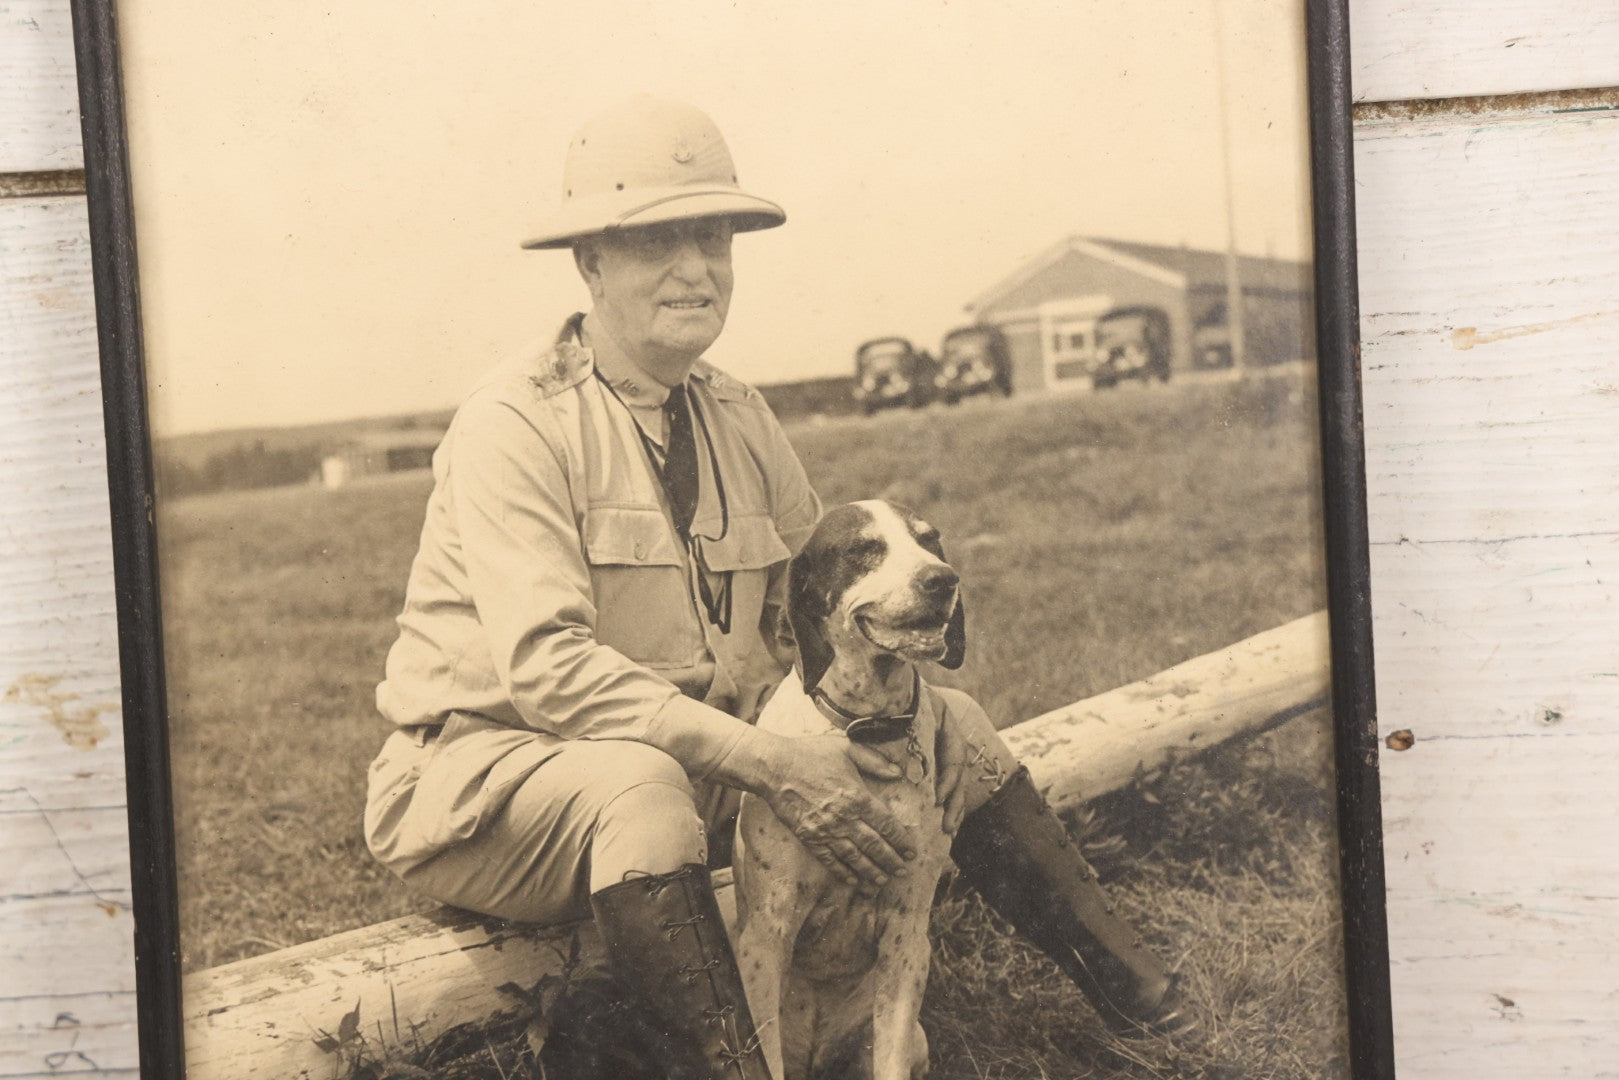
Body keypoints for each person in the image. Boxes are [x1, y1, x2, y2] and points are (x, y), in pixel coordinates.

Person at [364, 94, 1192, 1080]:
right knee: (640, 791)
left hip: (699, 767)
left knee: (958, 721)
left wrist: (904, 719)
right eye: (656, 241)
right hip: (491, 784)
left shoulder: (735, 414)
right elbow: (547, 671)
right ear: (589, 263)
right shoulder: (518, 421)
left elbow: (835, 593)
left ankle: (1147, 1000)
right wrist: (775, 763)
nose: (695, 268)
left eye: (713, 237)